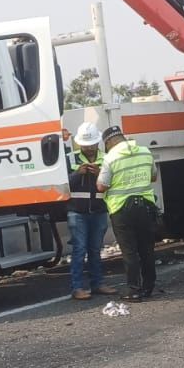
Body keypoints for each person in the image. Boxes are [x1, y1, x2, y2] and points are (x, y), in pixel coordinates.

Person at [97, 125, 158, 302]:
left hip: (122, 209)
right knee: (147, 248)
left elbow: (101, 186)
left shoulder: (111, 157)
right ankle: (148, 287)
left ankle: (134, 290)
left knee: (129, 251)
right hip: (146, 206)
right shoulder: (145, 152)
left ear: (108, 142)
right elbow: (153, 177)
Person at [67, 122, 117, 300]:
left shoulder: (107, 158)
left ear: (98, 143)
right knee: (79, 250)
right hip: (77, 212)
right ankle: (77, 288)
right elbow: (62, 187)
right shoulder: (71, 159)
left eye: (91, 145)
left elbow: (114, 182)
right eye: (85, 145)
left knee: (95, 250)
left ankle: (98, 284)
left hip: (99, 210)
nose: (88, 149)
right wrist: (77, 174)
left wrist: (98, 174)